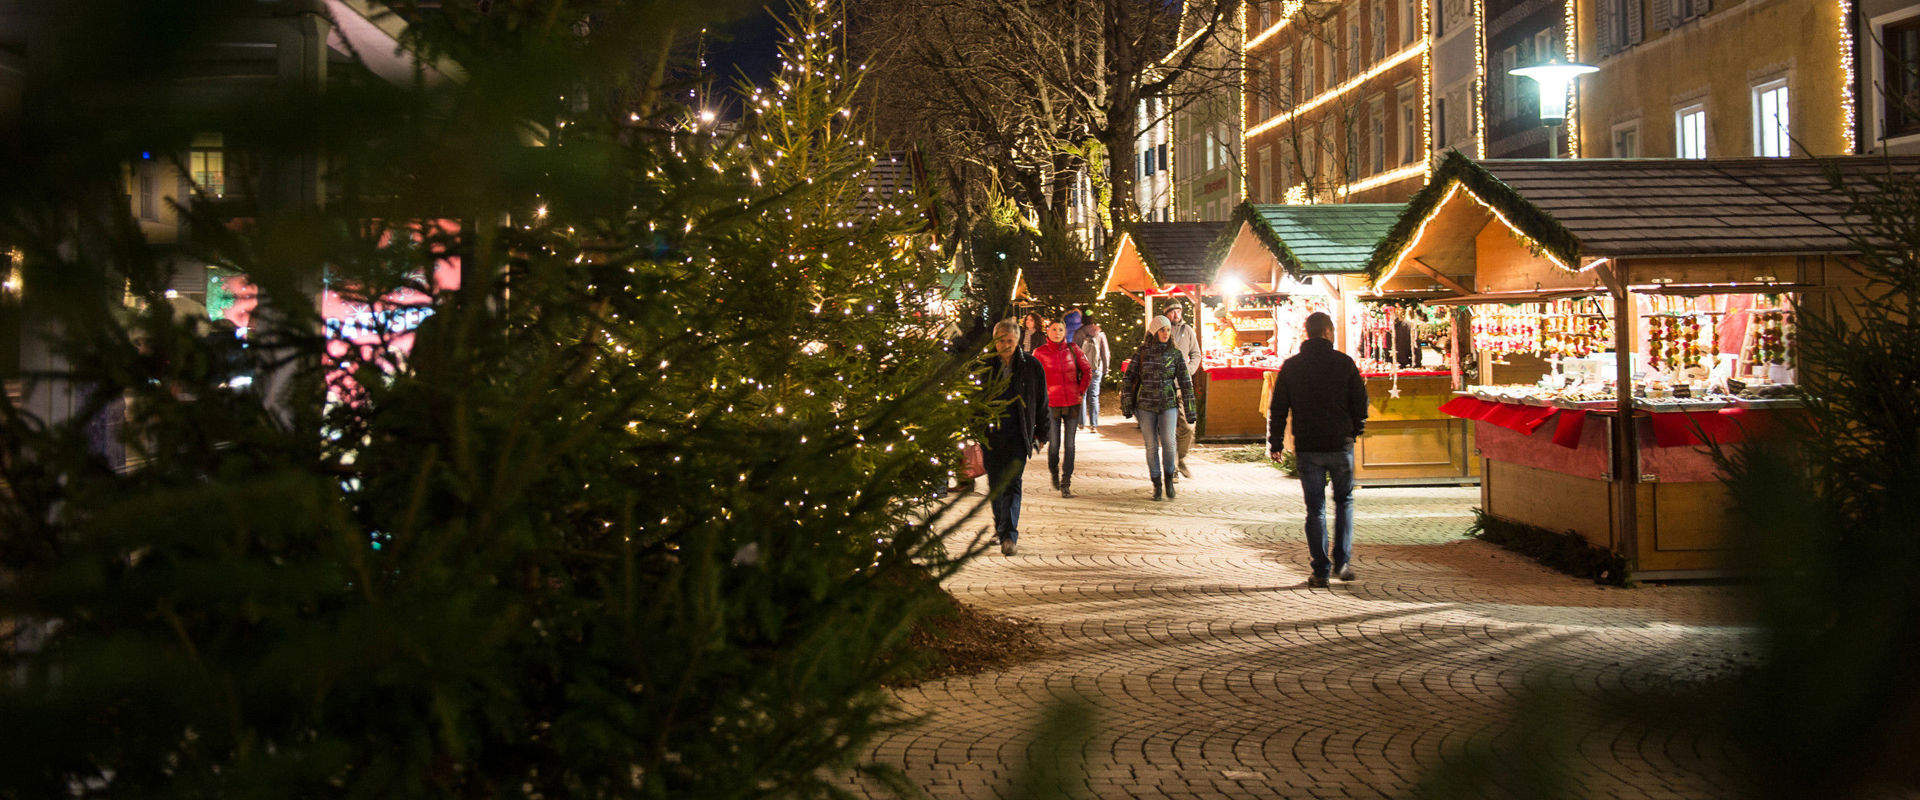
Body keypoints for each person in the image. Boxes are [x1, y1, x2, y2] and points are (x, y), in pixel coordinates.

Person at [1268, 311, 1369, 588]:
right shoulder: (1344, 363)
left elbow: (1278, 408)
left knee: (1315, 509)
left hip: (1309, 446)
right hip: (1340, 444)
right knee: (1344, 503)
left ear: (1307, 333)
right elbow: (1360, 401)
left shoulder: (1292, 366)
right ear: (1327, 333)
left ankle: (1321, 569)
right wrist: (1355, 429)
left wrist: (1275, 442)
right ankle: (1343, 561)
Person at [980, 318, 1049, 555]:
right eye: (1001, 341)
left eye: (1010, 340)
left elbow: (1041, 402)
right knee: (995, 484)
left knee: (1012, 483)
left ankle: (1009, 535)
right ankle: (1001, 525)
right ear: (995, 341)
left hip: (1018, 433)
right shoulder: (984, 365)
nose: (1006, 345)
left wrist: (1042, 433)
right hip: (991, 434)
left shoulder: (1031, 365)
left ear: (1018, 340)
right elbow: (974, 401)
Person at [1120, 316, 1197, 501]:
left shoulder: (1175, 354)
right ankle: (1156, 483)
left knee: (1169, 443)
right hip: (1145, 406)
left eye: (1168, 330)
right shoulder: (1142, 352)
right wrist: (1127, 404)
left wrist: (1190, 409)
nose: (1165, 333)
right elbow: (1128, 378)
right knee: (1151, 445)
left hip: (1168, 404)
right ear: (1154, 331)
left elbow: (1186, 383)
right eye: (1162, 330)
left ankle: (1169, 477)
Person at [1033, 319, 1092, 497]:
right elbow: (1033, 377)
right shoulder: (1040, 353)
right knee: (1054, 445)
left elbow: (1087, 370)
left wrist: (1081, 390)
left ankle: (1066, 481)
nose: (1057, 332)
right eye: (1054, 329)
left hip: (1072, 403)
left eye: (1060, 329)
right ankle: (1053, 471)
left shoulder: (1074, 349)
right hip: (1051, 405)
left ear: (1065, 332)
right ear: (1047, 332)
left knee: (1070, 445)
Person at [1164, 302, 1203, 481]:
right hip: (1166, 388)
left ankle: (1182, 458)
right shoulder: (1160, 330)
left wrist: (1189, 370)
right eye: (1173, 311)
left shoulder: (1187, 330)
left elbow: (1196, 353)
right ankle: (1172, 468)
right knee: (1169, 429)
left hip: (1183, 387)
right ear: (1166, 313)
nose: (1176, 314)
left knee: (1188, 425)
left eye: (1178, 311)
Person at [1074, 321, 1109, 431]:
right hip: (1096, 368)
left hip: (1082, 369)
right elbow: (1105, 353)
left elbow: (1074, 352)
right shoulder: (1100, 334)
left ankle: (1081, 423)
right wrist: (1105, 369)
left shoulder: (1079, 333)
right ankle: (1094, 424)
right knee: (1094, 396)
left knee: (1082, 395)